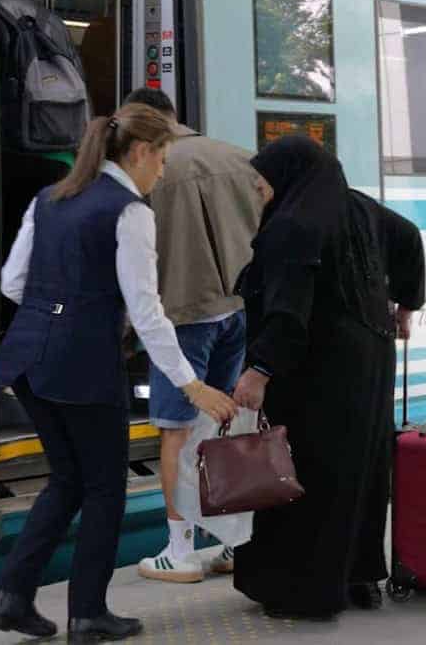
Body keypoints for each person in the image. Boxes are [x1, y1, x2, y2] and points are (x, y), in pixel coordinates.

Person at [0, 104, 237, 643]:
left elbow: (12, 283)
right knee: (104, 489)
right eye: (162, 159)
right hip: (83, 366)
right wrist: (191, 384)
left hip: (27, 358)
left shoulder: (49, 199)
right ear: (140, 152)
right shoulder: (129, 212)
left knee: (67, 481)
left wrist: (57, 314)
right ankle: (87, 614)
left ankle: (12, 597)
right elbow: (147, 312)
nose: (162, 172)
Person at [229, 136, 426, 619]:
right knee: (363, 469)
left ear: (290, 176)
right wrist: (406, 305)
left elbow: (288, 313)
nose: (258, 188)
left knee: (306, 474)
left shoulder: (292, 226)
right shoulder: (359, 207)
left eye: (263, 179)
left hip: (317, 369)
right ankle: (360, 577)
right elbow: (409, 236)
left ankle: (306, 590)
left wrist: (259, 370)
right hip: (371, 358)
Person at [122, 88, 262, 584]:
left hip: (183, 316)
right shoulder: (238, 158)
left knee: (176, 430)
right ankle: (232, 544)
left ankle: (179, 550)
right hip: (237, 310)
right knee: (223, 424)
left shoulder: (147, 168)